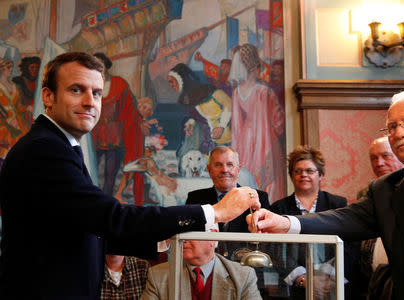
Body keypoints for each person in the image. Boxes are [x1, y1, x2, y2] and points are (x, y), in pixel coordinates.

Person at [0, 51, 261, 299]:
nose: (91, 101)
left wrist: (168, 242)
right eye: (76, 90)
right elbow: (110, 219)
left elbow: (87, 228)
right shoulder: (45, 148)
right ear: (48, 96)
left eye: (97, 93)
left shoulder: (56, 144)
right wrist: (215, 212)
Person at [249, 90, 404, 299]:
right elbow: (343, 219)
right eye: (392, 127)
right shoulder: (385, 188)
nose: (398, 134)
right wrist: (285, 223)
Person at [269, 146, 354, 299]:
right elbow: (276, 249)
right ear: (291, 175)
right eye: (298, 171)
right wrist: (304, 279)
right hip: (294, 290)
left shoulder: (337, 204)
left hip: (334, 287)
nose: (303, 175)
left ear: (320, 175)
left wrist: (327, 277)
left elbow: (349, 243)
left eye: (310, 171)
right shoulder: (278, 208)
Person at [140, 225, 261, 300]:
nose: (184, 240)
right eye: (181, 233)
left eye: (191, 232)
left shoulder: (243, 276)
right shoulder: (158, 276)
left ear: (213, 238)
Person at [229, 43, 286, 201]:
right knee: (268, 182)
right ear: (255, 67)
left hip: (243, 143)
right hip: (264, 142)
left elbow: (235, 126)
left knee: (247, 181)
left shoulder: (236, 92)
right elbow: (279, 123)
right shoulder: (264, 91)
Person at [91, 52, 145, 205]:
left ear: (106, 66)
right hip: (94, 134)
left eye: (100, 64)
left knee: (110, 173)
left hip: (114, 135)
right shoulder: (87, 83)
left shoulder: (119, 84)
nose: (98, 68)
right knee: (89, 169)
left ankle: (105, 203)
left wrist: (139, 121)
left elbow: (131, 108)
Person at [357, 136, 404, 299]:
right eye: (373, 158)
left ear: (400, 154)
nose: (379, 163)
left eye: (386, 156)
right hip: (375, 281)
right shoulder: (368, 193)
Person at [186, 146, 270, 234]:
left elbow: (266, 242)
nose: (224, 170)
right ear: (209, 170)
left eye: (230, 164)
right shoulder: (194, 199)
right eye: (218, 165)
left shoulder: (259, 198)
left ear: (238, 170)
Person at [167, 63, 232, 161]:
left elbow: (229, 104)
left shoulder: (209, 90)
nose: (171, 85)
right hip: (210, 139)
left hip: (226, 137)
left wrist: (221, 126)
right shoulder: (189, 98)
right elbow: (198, 117)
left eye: (172, 82)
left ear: (180, 80)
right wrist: (191, 123)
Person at [0, 57, 28, 159]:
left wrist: (27, 108)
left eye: (11, 68)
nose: (11, 71)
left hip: (17, 122)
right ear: (2, 70)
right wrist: (8, 120)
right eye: (8, 68)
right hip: (2, 123)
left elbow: (18, 107)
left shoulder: (14, 85)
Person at [12, 56, 41, 127]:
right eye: (32, 67)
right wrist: (27, 108)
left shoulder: (40, 82)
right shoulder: (18, 82)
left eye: (37, 67)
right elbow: (16, 103)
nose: (35, 70)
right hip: (22, 114)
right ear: (26, 68)